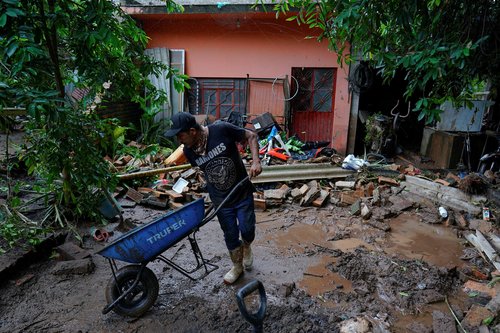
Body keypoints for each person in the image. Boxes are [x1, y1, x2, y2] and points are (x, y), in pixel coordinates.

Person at [165, 112, 262, 284]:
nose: (179, 140)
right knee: (230, 235)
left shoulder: (221, 129)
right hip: (221, 200)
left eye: (181, 135)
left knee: (247, 230)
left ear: (193, 131)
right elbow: (203, 171)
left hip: (241, 192)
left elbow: (251, 136)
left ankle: (246, 246)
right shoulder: (188, 151)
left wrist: (255, 161)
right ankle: (237, 267)